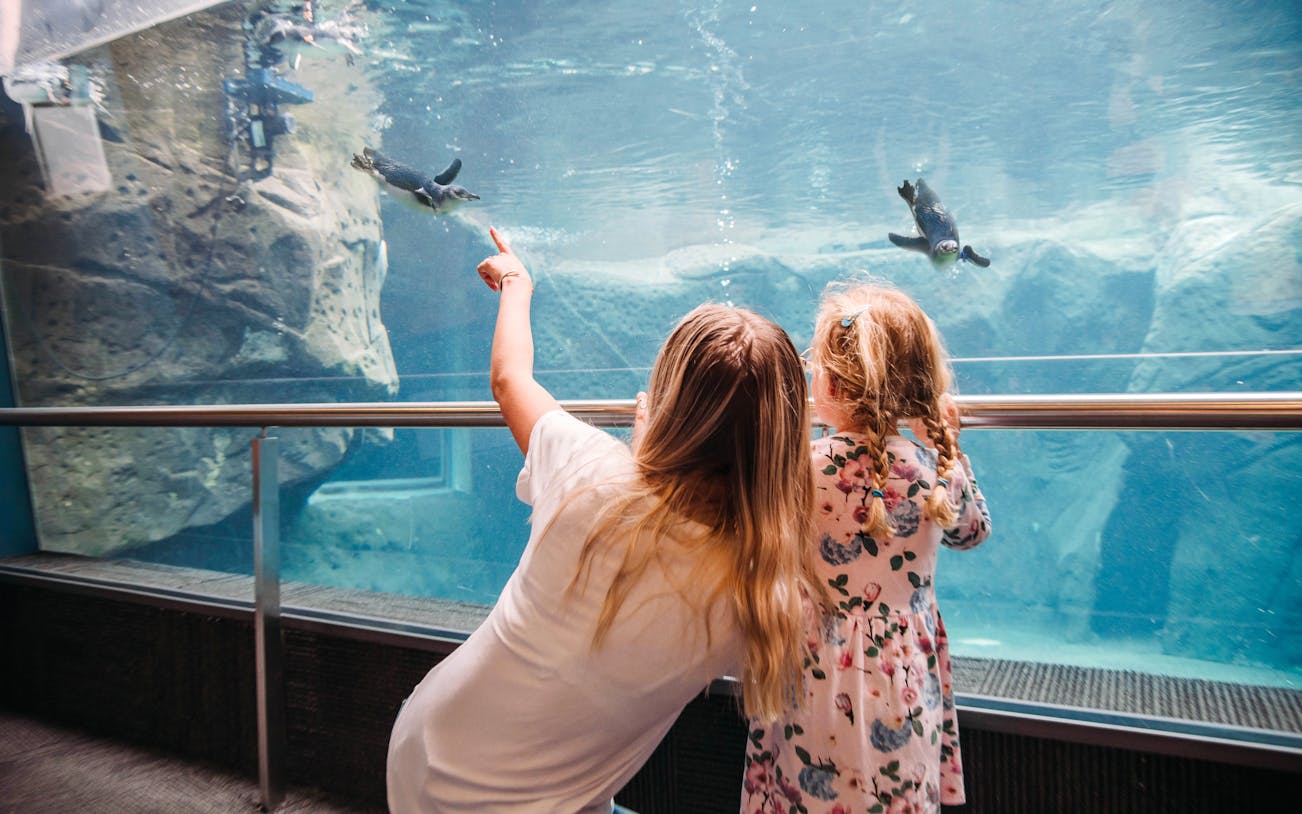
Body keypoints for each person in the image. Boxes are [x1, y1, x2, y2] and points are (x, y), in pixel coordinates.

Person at [387, 226, 825, 813]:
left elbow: (509, 380)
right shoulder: (758, 599)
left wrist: (516, 284)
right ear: (785, 440)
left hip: (425, 759)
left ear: (664, 403)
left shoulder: (587, 469)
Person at [741, 281, 992, 814]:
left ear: (829, 381)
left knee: (807, 787)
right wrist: (950, 447)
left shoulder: (799, 466)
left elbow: (757, 544)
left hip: (813, 669)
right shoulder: (931, 469)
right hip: (903, 675)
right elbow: (971, 532)